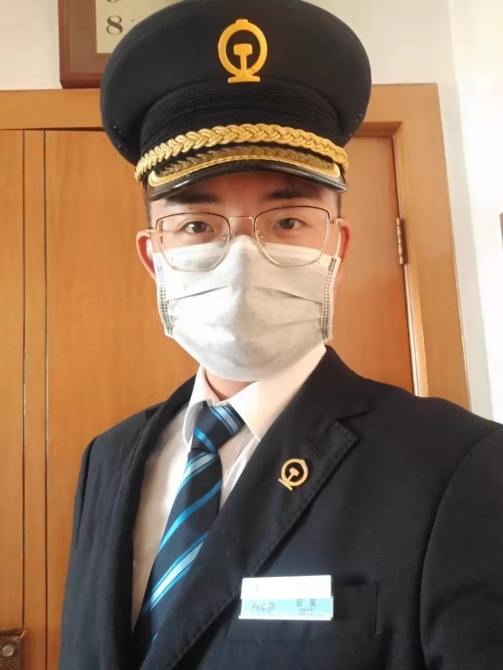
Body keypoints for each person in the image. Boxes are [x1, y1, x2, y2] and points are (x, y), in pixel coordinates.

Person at [59, 0, 503, 668]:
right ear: (155, 257)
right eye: (197, 225)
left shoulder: (459, 466)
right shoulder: (108, 457)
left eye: (288, 221)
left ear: (336, 249)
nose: (243, 258)